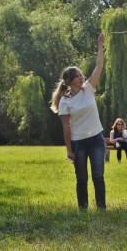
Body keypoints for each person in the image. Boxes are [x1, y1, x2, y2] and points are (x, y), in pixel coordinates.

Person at [50, 33, 106, 210]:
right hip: (78, 143)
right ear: (69, 81)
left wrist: (100, 45)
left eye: (81, 75)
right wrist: (69, 150)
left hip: (97, 139)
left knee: (98, 176)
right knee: (82, 179)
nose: (82, 78)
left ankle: (102, 209)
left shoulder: (88, 89)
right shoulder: (65, 101)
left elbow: (99, 66)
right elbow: (66, 128)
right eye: (77, 76)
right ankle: (82, 210)